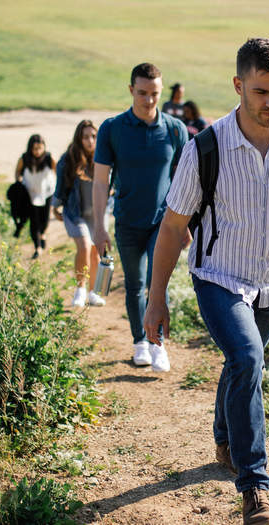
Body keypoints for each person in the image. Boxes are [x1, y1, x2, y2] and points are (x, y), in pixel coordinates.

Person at [143, 37, 269, 525]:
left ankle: (226, 438)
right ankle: (255, 490)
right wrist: (156, 299)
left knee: (240, 363)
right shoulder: (205, 149)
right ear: (238, 86)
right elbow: (172, 228)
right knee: (248, 357)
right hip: (217, 278)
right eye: (261, 92)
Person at [92, 63, 189, 373]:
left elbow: (188, 181)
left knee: (157, 284)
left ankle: (158, 343)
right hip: (126, 221)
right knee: (134, 284)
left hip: (164, 224)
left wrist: (187, 224)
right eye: (143, 93)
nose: (149, 100)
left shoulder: (175, 129)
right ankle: (139, 343)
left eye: (155, 94)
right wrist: (98, 225)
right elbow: (99, 181)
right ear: (131, 89)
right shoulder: (112, 128)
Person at [53, 120, 106, 307]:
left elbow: (113, 184)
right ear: (79, 138)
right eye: (85, 137)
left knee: (95, 253)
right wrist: (55, 206)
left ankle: (93, 292)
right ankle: (80, 289)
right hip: (75, 213)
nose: (90, 141)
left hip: (97, 214)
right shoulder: (68, 159)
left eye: (93, 136)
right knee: (84, 245)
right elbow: (60, 186)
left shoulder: (103, 158)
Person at [15, 134, 56, 258]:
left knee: (44, 219)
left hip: (47, 192)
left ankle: (43, 234)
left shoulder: (49, 158)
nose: (37, 151)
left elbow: (56, 170)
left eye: (40, 148)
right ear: (30, 148)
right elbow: (18, 171)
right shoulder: (24, 158)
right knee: (34, 221)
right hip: (30, 193)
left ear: (44, 147)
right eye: (35, 148)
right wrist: (19, 183)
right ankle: (37, 247)